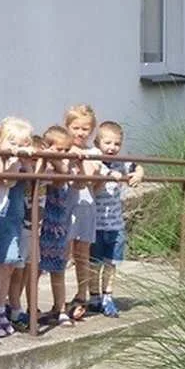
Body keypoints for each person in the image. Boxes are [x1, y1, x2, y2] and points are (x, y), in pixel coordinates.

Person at [0, 117, 33, 336]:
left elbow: (29, 179)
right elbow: (8, 181)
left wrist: (27, 161)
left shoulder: (19, 161)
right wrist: (10, 157)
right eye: (14, 143)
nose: (18, 148)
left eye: (23, 144)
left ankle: (1, 309)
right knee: (0, 267)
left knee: (9, 267)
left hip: (15, 216)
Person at [89, 121, 144, 317]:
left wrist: (138, 173)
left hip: (115, 223)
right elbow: (96, 169)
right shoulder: (94, 158)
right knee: (94, 262)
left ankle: (107, 296)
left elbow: (137, 166)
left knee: (111, 262)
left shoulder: (121, 162)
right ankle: (94, 296)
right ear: (98, 143)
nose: (112, 148)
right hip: (96, 223)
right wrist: (108, 174)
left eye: (116, 144)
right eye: (108, 143)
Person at [39, 125, 77, 327]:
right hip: (41, 223)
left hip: (59, 225)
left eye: (66, 150)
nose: (63, 154)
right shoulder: (45, 165)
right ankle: (28, 307)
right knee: (33, 269)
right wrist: (50, 157)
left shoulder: (65, 166)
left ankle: (60, 308)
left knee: (58, 268)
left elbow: (66, 177)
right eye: (59, 149)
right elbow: (57, 178)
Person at [64, 104, 100, 321]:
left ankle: (81, 293)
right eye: (75, 128)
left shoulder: (93, 153)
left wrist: (81, 159)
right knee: (62, 252)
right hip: (65, 207)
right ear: (67, 127)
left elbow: (88, 179)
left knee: (82, 253)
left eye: (85, 129)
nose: (80, 133)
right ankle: (60, 301)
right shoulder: (62, 149)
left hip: (85, 207)